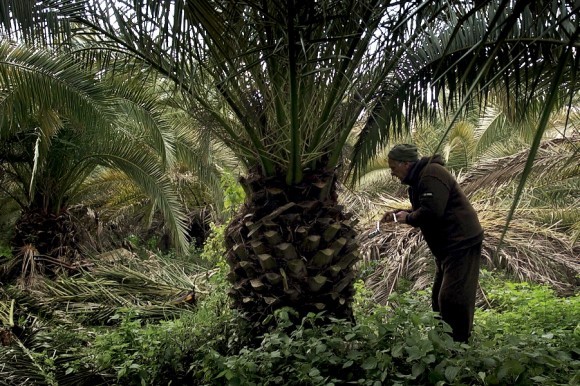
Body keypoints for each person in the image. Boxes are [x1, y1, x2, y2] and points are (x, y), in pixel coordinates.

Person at [381, 143, 484, 343]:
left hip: (461, 243)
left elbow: (432, 212)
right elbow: (428, 207)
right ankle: (444, 341)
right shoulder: (419, 178)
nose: (392, 173)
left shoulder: (430, 175)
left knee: (452, 299)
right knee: (440, 298)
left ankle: (459, 346)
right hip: (446, 248)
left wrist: (407, 218)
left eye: (393, 167)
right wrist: (400, 213)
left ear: (406, 164)